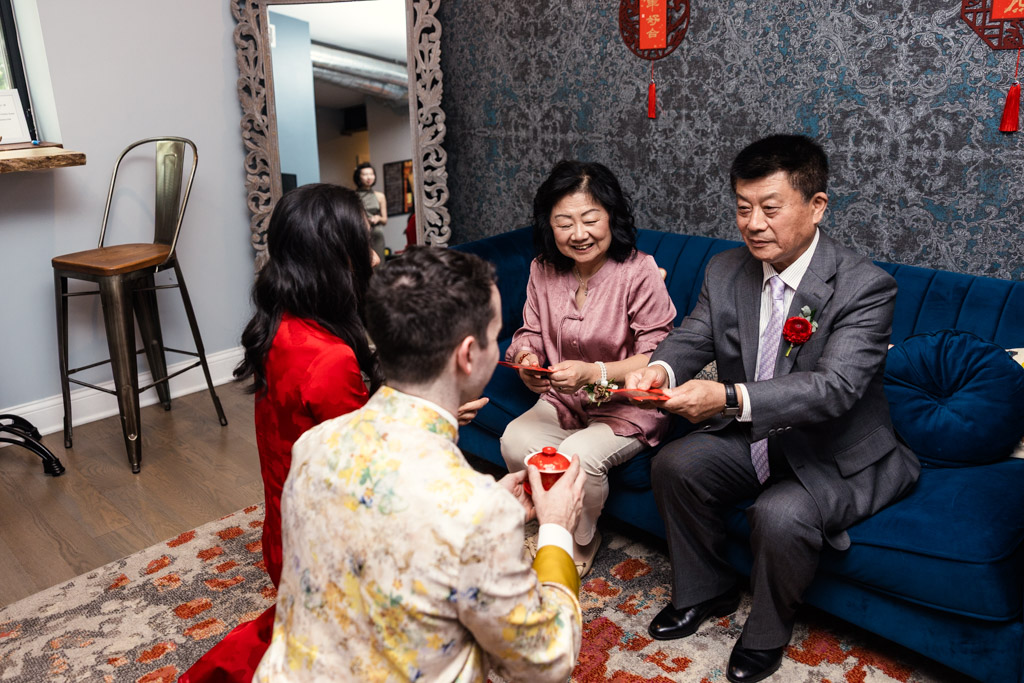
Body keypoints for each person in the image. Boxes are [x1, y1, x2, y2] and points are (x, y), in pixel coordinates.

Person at [625, 135, 920, 683]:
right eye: (742, 207)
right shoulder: (725, 270)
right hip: (758, 437)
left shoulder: (865, 287)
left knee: (779, 515)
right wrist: (659, 371)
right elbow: (694, 336)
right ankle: (705, 590)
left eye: (770, 207)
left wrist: (731, 398)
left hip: (828, 450)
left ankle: (767, 632)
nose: (753, 223)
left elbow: (835, 387)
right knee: (674, 464)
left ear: (817, 206)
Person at [179, 185, 486, 682]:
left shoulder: (281, 326)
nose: (374, 254)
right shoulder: (329, 360)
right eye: (362, 243)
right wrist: (437, 418)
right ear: (332, 260)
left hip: (284, 527)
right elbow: (376, 474)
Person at [254, 247, 586, 682]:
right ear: (469, 355)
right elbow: (549, 658)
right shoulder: (474, 512)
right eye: (496, 334)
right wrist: (556, 527)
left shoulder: (314, 444)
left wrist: (489, 504)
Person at [500, 160, 676, 576]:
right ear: (550, 226)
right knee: (513, 440)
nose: (579, 234)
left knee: (577, 455)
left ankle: (581, 536)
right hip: (564, 399)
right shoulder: (542, 269)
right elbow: (529, 331)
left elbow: (659, 354)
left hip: (627, 403)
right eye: (564, 223)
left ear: (610, 217)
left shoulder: (639, 271)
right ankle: (552, 518)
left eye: (590, 219)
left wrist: (593, 372)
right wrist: (526, 357)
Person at [354, 162, 388, 262]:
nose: (369, 177)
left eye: (371, 174)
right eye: (365, 174)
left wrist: (378, 218)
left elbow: (385, 220)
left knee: (379, 264)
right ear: (358, 177)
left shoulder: (380, 196)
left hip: (376, 233)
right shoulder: (353, 196)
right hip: (360, 234)